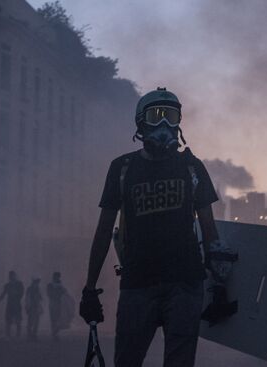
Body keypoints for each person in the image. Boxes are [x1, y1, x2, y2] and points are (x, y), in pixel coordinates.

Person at [79, 87, 237, 367]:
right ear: (141, 123)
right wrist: (89, 289)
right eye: (156, 116)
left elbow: (210, 231)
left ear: (179, 122)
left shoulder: (192, 168)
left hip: (185, 283)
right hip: (138, 283)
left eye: (171, 117)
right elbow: (104, 231)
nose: (164, 125)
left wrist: (219, 286)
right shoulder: (122, 169)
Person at [0, 270, 24, 337]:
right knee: (8, 321)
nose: (12, 277)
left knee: (18, 320)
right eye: (11, 276)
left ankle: (17, 335)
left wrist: (16, 294)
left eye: (13, 275)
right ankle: (8, 335)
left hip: (16, 304)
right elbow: (3, 295)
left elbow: (21, 293)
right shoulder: (8, 285)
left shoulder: (19, 284)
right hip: (10, 305)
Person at [47, 272, 74, 339]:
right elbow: (49, 294)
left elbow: (65, 293)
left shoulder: (57, 285)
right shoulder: (53, 285)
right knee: (54, 319)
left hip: (57, 303)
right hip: (54, 303)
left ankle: (55, 332)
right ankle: (54, 333)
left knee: (56, 318)